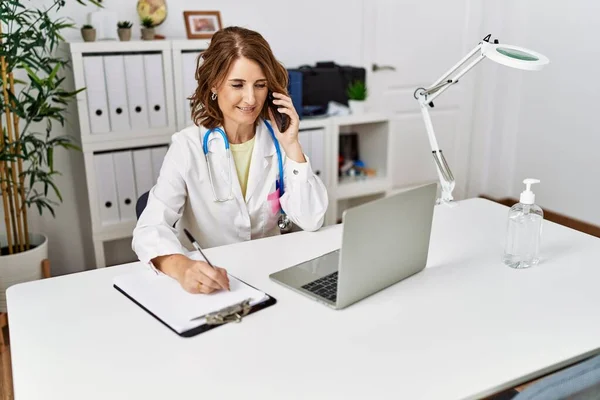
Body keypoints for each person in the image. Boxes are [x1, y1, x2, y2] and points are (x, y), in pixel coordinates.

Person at [132, 26, 329, 295]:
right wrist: (182, 267)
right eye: (238, 84)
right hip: (214, 282)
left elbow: (312, 218)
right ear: (215, 84)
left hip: (272, 276)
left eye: (260, 85)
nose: (251, 99)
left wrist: (292, 144)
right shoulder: (187, 147)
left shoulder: (280, 141)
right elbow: (150, 227)